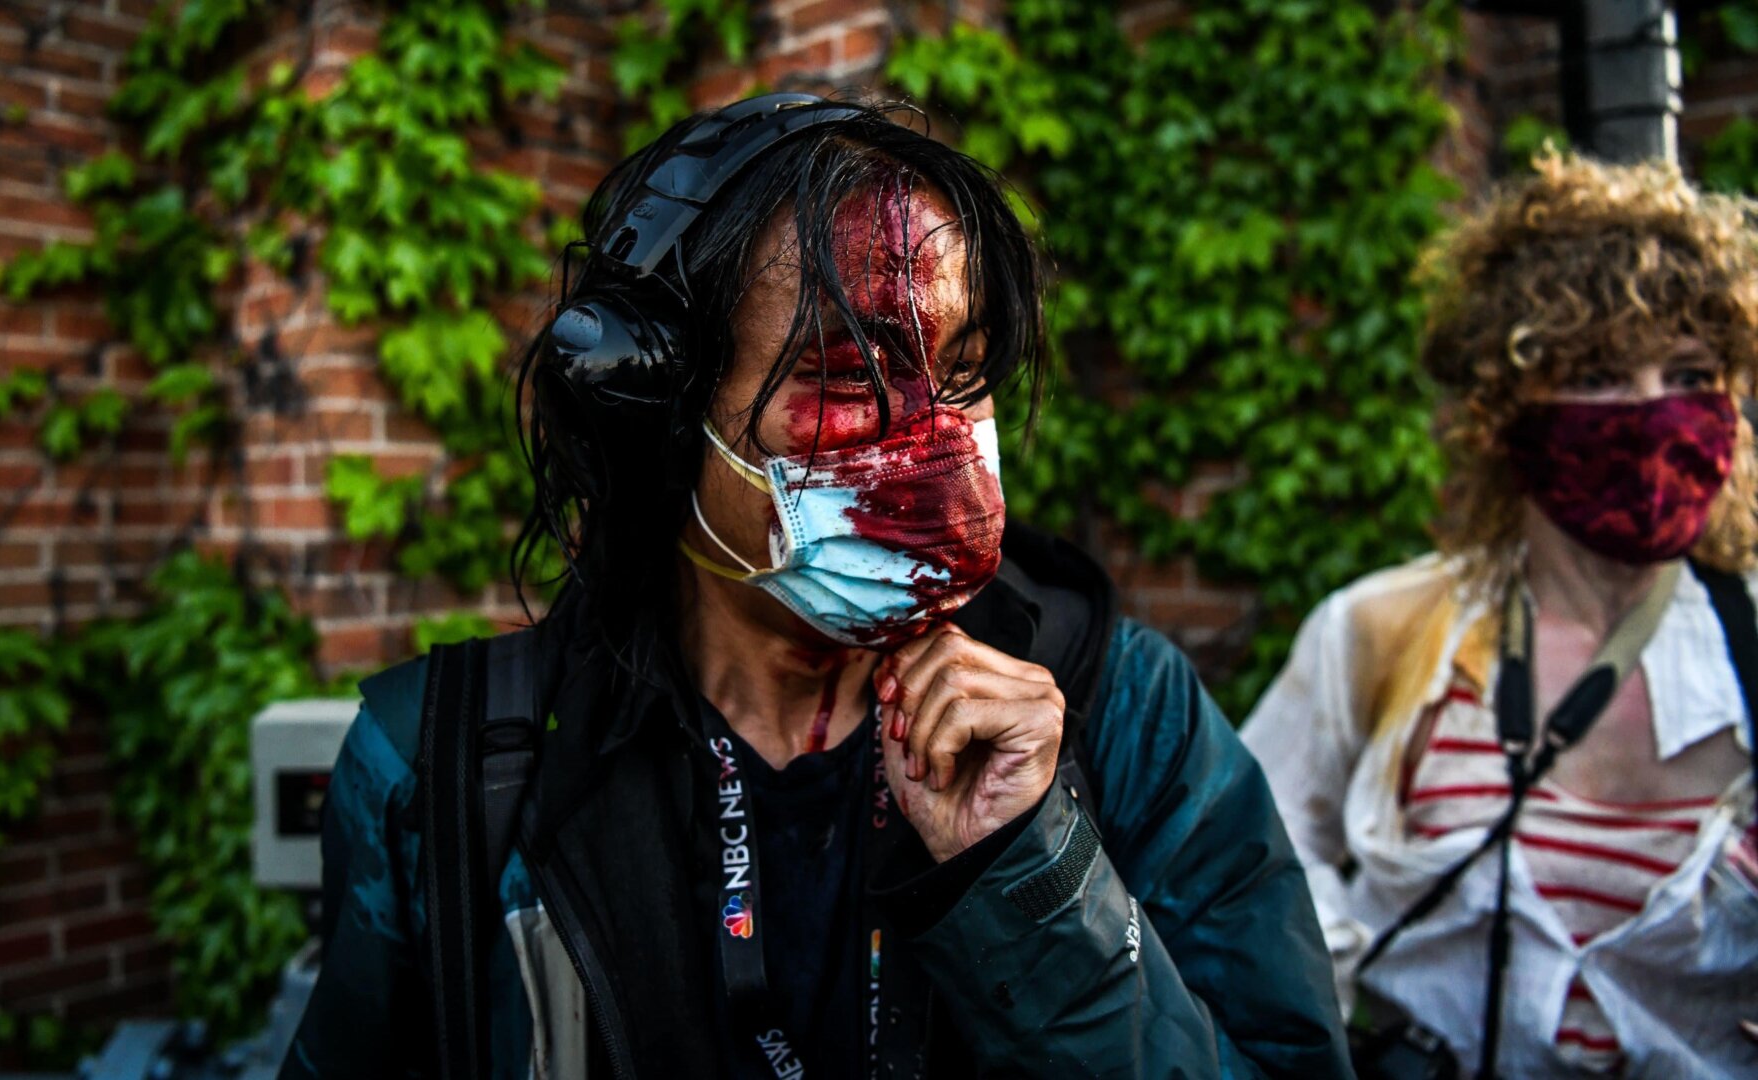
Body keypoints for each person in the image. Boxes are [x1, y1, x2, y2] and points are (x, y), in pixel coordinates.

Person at [284, 94, 1348, 1079]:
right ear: (661, 418)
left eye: (965, 371)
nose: (942, 447)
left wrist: (1036, 876)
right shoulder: (445, 769)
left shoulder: (1119, 707)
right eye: (850, 381)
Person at [1241, 150, 1758, 1078]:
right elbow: (1241, 860)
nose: (1652, 414)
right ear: (1503, 409)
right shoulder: (1379, 634)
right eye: (1600, 374)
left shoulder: (1746, 657)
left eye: (1690, 374)